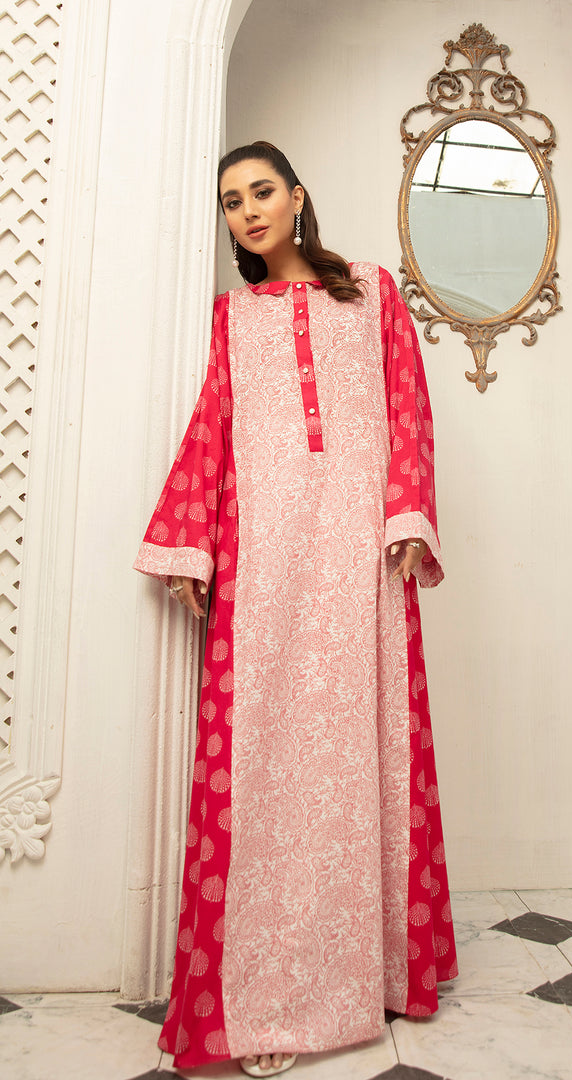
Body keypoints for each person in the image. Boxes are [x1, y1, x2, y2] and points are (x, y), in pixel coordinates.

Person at [134, 141, 457, 1078]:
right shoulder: (231, 318)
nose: (248, 211)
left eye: (262, 191)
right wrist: (192, 544)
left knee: (366, 751)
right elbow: (212, 428)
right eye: (231, 202)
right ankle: (269, 993)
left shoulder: (372, 291)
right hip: (265, 559)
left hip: (360, 555)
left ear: (298, 195)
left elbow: (408, 408)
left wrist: (407, 516)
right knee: (268, 765)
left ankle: (379, 972)